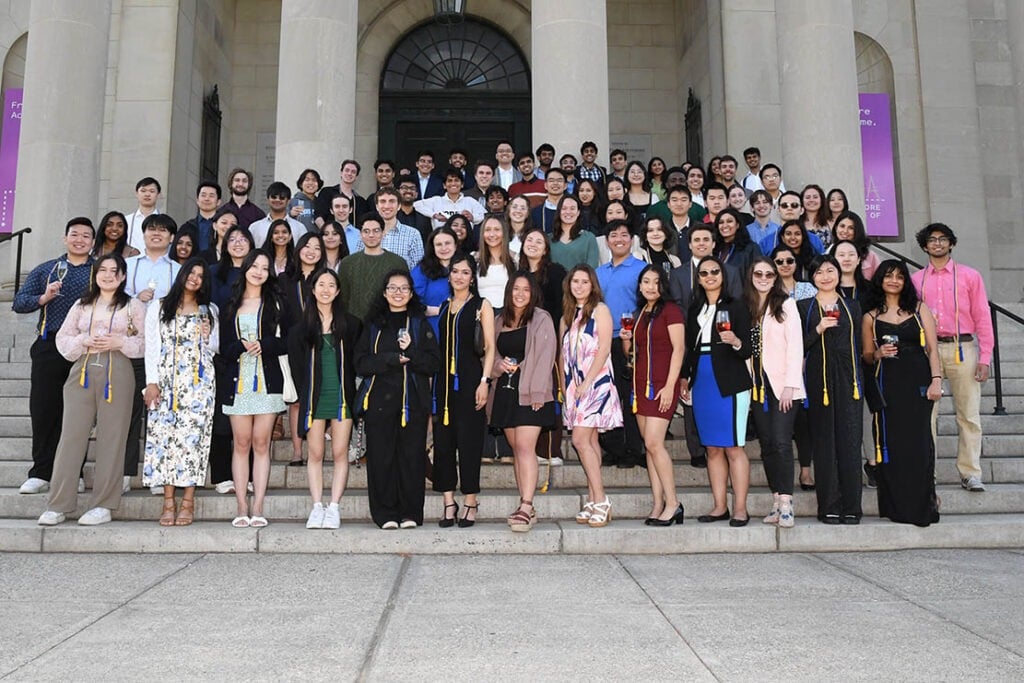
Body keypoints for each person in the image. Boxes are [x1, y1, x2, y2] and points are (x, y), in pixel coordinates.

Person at [37, 254, 147, 526]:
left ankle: (104, 504)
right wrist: (85, 340)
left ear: (122, 276)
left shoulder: (133, 305)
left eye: (114, 271)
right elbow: (63, 339)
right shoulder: (81, 304)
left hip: (118, 370)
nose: (108, 275)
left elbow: (146, 342)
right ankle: (58, 503)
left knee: (113, 437)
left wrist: (119, 341)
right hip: (83, 369)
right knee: (71, 436)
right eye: (102, 270)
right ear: (95, 274)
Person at [15, 218, 97, 495]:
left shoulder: (99, 270)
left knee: (79, 413)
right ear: (65, 239)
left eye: (86, 236)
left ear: (93, 242)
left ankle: (73, 471)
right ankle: (41, 471)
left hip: (84, 348)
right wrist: (43, 298)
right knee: (44, 409)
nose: (80, 240)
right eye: (75, 235)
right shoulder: (47, 270)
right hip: (49, 346)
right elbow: (19, 302)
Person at [910, 223, 994, 492]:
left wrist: (985, 357)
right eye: (932, 240)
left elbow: (982, 317)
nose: (937, 244)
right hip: (928, 350)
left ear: (951, 243)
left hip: (963, 347)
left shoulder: (969, 276)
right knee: (926, 415)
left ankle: (970, 472)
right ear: (924, 246)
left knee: (968, 414)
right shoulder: (916, 279)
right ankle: (926, 472)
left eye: (942, 239)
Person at [355, 270, 440, 529]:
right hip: (379, 401)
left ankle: (411, 513)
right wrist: (390, 359)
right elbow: (360, 362)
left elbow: (433, 363)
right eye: (393, 288)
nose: (398, 293)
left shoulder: (418, 323)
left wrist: (411, 352)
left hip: (412, 402)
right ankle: (385, 514)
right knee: (381, 458)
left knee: (411, 458)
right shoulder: (372, 324)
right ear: (384, 292)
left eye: (404, 288)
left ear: (411, 293)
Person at [862, 259, 942, 526]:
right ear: (880, 280)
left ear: (906, 281)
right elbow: (866, 356)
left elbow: (932, 348)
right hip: (888, 385)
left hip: (918, 382)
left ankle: (923, 504)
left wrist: (936, 380)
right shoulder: (870, 316)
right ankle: (897, 506)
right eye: (888, 276)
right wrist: (878, 353)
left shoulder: (920, 310)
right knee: (893, 444)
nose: (894, 280)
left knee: (919, 443)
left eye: (899, 276)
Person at [142, 258, 218, 526]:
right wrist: (151, 382)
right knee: (164, 440)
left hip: (199, 384)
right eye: (191, 273)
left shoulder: (209, 309)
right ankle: (167, 502)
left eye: (200, 275)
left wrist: (209, 334)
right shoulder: (160, 307)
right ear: (182, 274)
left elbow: (215, 348)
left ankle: (188, 501)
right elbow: (151, 346)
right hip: (166, 381)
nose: (195, 278)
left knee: (193, 441)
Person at [680, 255, 753, 526]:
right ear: (698, 279)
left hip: (730, 381)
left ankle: (741, 508)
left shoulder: (737, 306)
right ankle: (720, 505)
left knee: (733, 447)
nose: (709, 276)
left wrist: (735, 340)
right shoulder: (694, 308)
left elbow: (748, 347)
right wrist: (684, 377)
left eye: (714, 271)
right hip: (703, 381)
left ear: (723, 275)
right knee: (712, 448)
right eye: (703, 273)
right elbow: (691, 347)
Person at [288, 268, 362, 530]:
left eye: (332, 285)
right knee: (315, 453)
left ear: (338, 291)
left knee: (340, 452)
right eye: (321, 284)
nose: (326, 289)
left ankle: (334, 507)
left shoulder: (351, 324)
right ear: (313, 289)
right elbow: (297, 368)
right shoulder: (301, 329)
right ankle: (317, 506)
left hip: (341, 396)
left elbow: (357, 362)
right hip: (314, 398)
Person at [219, 251, 289, 528]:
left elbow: (289, 340)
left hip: (267, 380)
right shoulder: (230, 303)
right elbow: (223, 348)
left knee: (262, 443)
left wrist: (266, 344)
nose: (259, 271)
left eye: (265, 267)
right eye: (254, 266)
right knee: (241, 443)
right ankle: (241, 504)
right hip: (238, 382)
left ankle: (258, 504)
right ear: (246, 269)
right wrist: (240, 347)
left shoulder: (276, 303)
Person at [486, 273, 558, 532]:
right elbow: (489, 353)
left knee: (526, 448)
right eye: (515, 289)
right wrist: (497, 366)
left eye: (525, 290)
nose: (520, 294)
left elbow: (545, 357)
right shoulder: (498, 320)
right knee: (517, 448)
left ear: (533, 293)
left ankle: (526, 505)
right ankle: (526, 503)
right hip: (505, 392)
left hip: (531, 392)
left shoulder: (541, 318)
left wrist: (538, 393)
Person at [798, 255, 864, 524]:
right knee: (825, 443)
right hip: (819, 379)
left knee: (849, 441)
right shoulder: (804, 307)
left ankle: (852, 506)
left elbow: (860, 343)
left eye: (830, 271)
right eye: (819, 272)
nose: (825, 276)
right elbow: (797, 346)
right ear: (812, 278)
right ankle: (828, 505)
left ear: (838, 274)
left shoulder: (853, 306)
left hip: (849, 379)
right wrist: (818, 328)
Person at [432, 254, 495, 527]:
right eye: (455, 271)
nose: (459, 276)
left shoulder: (482, 306)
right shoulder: (446, 306)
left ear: (473, 277)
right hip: (444, 385)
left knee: (469, 443)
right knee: (444, 444)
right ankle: (449, 502)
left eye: (465, 272)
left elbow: (490, 347)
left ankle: (470, 501)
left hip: (471, 382)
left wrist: (485, 381)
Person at [620, 265, 685, 526]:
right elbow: (631, 355)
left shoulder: (671, 310)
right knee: (649, 446)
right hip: (640, 386)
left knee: (655, 444)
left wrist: (670, 386)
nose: (649, 287)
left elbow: (679, 349)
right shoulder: (639, 313)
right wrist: (626, 340)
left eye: (655, 282)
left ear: (663, 285)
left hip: (661, 386)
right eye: (645, 281)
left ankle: (673, 503)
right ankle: (658, 502)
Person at [746, 257, 806, 527]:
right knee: (767, 444)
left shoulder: (786, 304)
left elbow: (796, 347)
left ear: (775, 278)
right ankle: (774, 500)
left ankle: (786, 502)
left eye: (769, 274)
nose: (763, 278)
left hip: (783, 386)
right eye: (758, 273)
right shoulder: (746, 307)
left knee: (782, 442)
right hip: (757, 386)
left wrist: (791, 386)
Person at [560, 265, 621, 527]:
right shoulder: (567, 315)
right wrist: (566, 388)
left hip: (595, 384)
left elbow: (605, 348)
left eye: (585, 281)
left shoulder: (601, 310)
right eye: (575, 281)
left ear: (592, 284)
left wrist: (587, 382)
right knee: (591, 442)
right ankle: (594, 499)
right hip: (574, 386)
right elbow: (563, 355)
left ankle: (602, 499)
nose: (580, 286)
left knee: (580, 440)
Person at [207, 224, 254, 494]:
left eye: (242, 238)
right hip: (220, 351)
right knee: (221, 417)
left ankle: (246, 475)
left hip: (250, 352)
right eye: (232, 239)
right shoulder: (214, 273)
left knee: (248, 413)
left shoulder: (257, 272)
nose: (237, 243)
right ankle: (222, 474)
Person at [595, 219, 647, 468]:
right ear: (607, 241)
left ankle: (633, 449)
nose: (619, 239)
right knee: (606, 395)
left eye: (624, 235)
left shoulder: (641, 269)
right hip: (602, 342)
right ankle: (613, 448)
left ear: (632, 239)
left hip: (629, 340)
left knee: (629, 396)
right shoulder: (599, 272)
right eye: (613, 235)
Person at [279, 232, 327, 467]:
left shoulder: (326, 278)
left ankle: (316, 450)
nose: (312, 251)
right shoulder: (284, 279)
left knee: (318, 396)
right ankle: (298, 451)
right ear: (298, 249)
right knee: (296, 399)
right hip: (292, 343)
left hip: (320, 342)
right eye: (307, 246)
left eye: (317, 248)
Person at [338, 213, 409, 321]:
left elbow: (405, 295)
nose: (371, 235)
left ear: (383, 233)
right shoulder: (347, 263)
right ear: (360, 234)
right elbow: (343, 298)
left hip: (387, 323)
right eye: (366, 231)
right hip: (355, 325)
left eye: (376, 230)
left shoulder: (398, 262)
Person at [411, 226, 458, 334]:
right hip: (431, 330)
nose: (444, 248)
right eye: (439, 244)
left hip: (459, 329)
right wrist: (439, 310)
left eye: (447, 243)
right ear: (433, 247)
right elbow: (412, 302)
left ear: (455, 245)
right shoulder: (421, 270)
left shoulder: (465, 267)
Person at [413, 167, 486, 230]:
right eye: (450, 181)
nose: (453, 183)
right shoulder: (437, 200)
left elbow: (485, 215)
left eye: (456, 180)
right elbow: (416, 205)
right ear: (444, 185)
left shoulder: (469, 201)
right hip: (441, 241)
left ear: (462, 184)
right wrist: (434, 215)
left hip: (465, 242)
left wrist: (473, 217)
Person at [474, 215, 517, 311]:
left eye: (497, 229)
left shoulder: (516, 260)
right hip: (481, 316)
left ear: (504, 233)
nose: (492, 234)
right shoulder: (474, 260)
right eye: (488, 230)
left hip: (509, 315)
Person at [248, 181, 306, 247]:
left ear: (288, 201)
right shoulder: (255, 227)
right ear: (268, 199)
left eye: (282, 198)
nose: (277, 200)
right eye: (273, 197)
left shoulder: (299, 228)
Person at [549, 195, 600, 271]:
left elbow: (591, 269)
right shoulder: (548, 238)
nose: (568, 212)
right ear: (559, 211)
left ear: (578, 212)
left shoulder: (589, 238)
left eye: (572, 208)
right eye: (564, 208)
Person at [832, 211, 880, 279]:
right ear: (836, 228)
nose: (845, 231)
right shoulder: (828, 252)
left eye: (851, 228)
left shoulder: (870, 257)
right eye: (842, 226)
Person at [715, 207, 761, 273]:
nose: (724, 225)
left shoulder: (751, 248)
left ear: (737, 225)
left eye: (729, 221)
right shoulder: (714, 249)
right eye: (721, 222)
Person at [180, 181, 221, 254]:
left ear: (218, 202)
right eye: (203, 195)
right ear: (197, 200)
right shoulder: (187, 226)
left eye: (211, 196)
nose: (207, 199)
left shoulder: (224, 226)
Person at [124, 177, 162, 253]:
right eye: (143, 191)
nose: (147, 194)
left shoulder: (165, 222)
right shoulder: (126, 221)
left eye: (152, 191)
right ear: (137, 194)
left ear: (158, 195)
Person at [625, 160, 660, 225]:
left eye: (639, 172)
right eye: (632, 172)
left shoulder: (654, 197)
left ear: (644, 174)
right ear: (627, 175)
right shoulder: (623, 196)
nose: (636, 174)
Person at [288, 168, 322, 232]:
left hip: (317, 240)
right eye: (307, 180)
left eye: (314, 180)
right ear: (301, 184)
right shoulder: (292, 202)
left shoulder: (321, 203)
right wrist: (290, 214)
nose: (311, 183)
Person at [801, 184, 832, 251]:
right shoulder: (797, 223)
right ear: (802, 201)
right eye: (808, 197)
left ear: (821, 200)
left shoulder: (830, 222)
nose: (811, 200)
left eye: (815, 197)